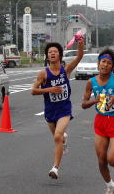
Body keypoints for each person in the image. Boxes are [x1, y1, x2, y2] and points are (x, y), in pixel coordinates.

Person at [81, 49, 114, 194]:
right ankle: (110, 185)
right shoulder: (91, 82)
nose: (105, 65)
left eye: (109, 63)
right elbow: (83, 105)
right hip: (100, 122)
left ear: (112, 66)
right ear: (98, 63)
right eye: (103, 61)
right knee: (101, 160)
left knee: (112, 160)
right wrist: (95, 100)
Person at [31, 40, 84, 179]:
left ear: (60, 55)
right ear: (47, 57)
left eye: (55, 52)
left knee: (57, 136)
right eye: (50, 52)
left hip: (64, 109)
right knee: (58, 137)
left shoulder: (65, 70)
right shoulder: (43, 74)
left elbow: (79, 57)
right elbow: (33, 91)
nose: (52, 54)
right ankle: (64, 139)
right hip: (50, 111)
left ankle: (55, 168)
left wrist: (80, 44)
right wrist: (50, 89)